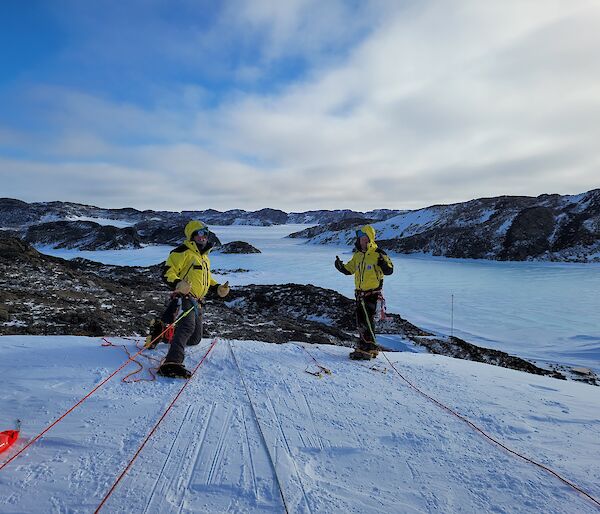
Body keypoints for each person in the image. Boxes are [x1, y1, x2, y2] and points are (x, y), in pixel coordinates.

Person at [154, 220, 230, 378]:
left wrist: (218, 288)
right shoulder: (181, 252)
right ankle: (172, 363)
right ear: (192, 235)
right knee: (186, 327)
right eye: (200, 233)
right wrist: (178, 283)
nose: (204, 237)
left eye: (206, 234)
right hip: (185, 297)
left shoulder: (204, 257)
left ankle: (163, 333)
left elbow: (206, 280)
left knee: (195, 339)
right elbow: (167, 273)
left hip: (199, 301)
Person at [334, 225, 393, 360]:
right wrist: (340, 267)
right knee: (363, 321)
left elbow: (389, 270)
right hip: (360, 294)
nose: (362, 241)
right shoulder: (358, 255)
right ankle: (370, 348)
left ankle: (365, 350)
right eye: (361, 239)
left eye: (365, 238)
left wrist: (383, 263)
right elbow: (350, 269)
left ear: (370, 238)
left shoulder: (379, 254)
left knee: (366, 322)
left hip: (372, 294)